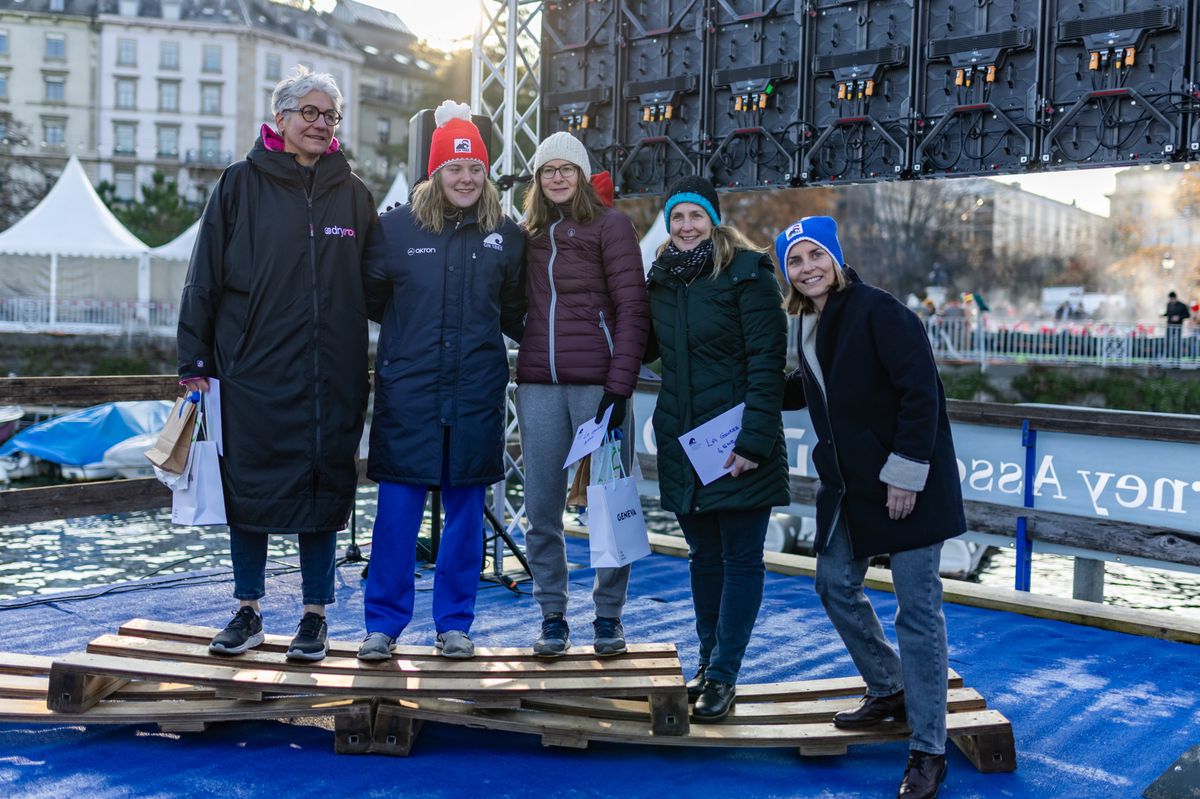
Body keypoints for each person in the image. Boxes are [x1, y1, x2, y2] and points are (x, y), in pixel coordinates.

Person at [176, 67, 376, 661]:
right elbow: (202, 275)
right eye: (308, 112)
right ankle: (248, 609)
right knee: (251, 488)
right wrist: (194, 356)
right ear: (281, 117)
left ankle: (315, 615)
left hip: (330, 371)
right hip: (253, 369)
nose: (319, 124)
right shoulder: (239, 184)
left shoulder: (354, 193)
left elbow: (381, 284)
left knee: (323, 487)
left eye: (329, 115)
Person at [777, 216, 965, 799]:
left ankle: (928, 750)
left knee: (918, 612)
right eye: (795, 261)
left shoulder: (879, 310)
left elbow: (920, 392)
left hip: (908, 483)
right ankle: (888, 686)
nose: (807, 268)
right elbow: (812, 391)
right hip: (849, 485)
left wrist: (906, 476)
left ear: (835, 256)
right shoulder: (808, 321)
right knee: (834, 585)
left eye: (815, 255)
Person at [356, 100, 526, 661]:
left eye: (475, 167)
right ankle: (383, 624)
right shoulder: (395, 228)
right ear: (435, 172)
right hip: (411, 395)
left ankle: (454, 623)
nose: (466, 178)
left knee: (464, 520)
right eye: (455, 168)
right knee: (397, 517)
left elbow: (515, 309)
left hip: (476, 393)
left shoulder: (505, 232)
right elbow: (373, 300)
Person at [645, 177, 789, 721]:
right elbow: (643, 346)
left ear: (713, 220)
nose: (685, 226)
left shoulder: (748, 274)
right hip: (685, 444)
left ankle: (725, 675)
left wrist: (753, 440)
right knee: (703, 559)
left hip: (736, 445)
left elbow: (767, 363)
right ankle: (708, 664)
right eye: (677, 216)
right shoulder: (660, 279)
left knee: (740, 559)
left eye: (695, 217)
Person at [515, 131, 650, 657]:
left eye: (565, 168)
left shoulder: (611, 226)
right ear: (537, 180)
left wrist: (619, 388)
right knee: (541, 506)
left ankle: (608, 618)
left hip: (599, 386)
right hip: (538, 387)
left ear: (581, 174)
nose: (556, 177)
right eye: (547, 170)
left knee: (608, 503)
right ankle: (552, 613)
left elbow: (633, 309)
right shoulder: (529, 233)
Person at [1163, 290, 1190, 364]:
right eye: (1170, 299)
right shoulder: (1168, 304)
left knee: (1177, 343)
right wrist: (1162, 314)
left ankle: (1177, 359)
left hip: (1178, 326)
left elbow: (1187, 315)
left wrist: (1179, 317)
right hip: (1169, 326)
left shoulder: (1182, 305)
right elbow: (1168, 313)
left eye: (1172, 299)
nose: (1171, 301)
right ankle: (1168, 357)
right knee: (1168, 341)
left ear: (1175, 298)